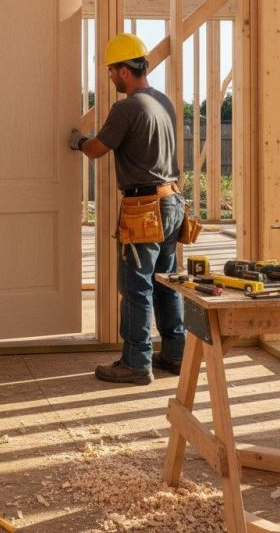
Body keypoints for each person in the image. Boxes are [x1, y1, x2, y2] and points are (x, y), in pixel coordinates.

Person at [69, 33, 186, 385]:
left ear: (123, 71)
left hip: (144, 208)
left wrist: (77, 140)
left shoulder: (127, 107)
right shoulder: (163, 102)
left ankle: (136, 363)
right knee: (166, 282)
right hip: (172, 200)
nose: (109, 77)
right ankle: (176, 355)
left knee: (136, 286)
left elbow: (96, 149)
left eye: (110, 71)